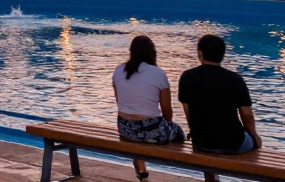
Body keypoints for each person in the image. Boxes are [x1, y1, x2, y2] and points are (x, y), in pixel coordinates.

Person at [112, 36, 183, 179]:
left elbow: (120, 103)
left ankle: (141, 170)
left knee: (135, 137)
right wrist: (167, 125)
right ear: (152, 52)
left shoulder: (118, 70)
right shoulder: (158, 73)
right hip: (152, 131)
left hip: (125, 129)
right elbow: (167, 110)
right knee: (178, 132)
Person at [178, 34, 261, 154]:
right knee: (251, 141)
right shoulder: (235, 79)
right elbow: (246, 114)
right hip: (233, 144)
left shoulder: (187, 77)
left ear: (200, 53)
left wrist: (194, 131)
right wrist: (255, 136)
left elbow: (188, 111)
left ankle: (209, 168)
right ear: (222, 54)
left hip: (201, 143)